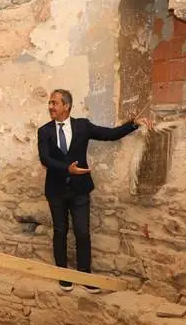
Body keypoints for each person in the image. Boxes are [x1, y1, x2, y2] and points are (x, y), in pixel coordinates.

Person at [37, 89, 148, 294]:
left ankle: (85, 276)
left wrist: (133, 124)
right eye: (50, 103)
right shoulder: (44, 131)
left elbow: (109, 135)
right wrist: (66, 168)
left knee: (82, 232)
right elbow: (45, 159)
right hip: (56, 191)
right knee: (60, 231)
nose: (51, 107)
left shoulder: (82, 126)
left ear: (66, 106)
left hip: (80, 190)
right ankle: (63, 275)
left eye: (55, 103)